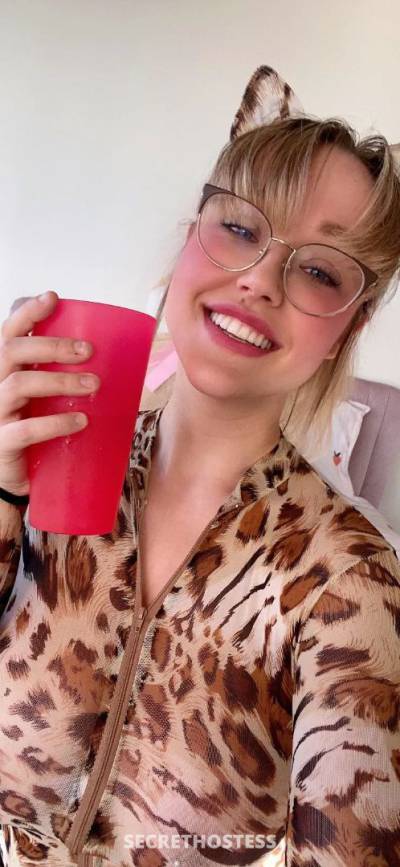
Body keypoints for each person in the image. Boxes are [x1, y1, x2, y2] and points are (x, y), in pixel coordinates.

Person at [0, 65, 399, 867]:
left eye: (319, 269)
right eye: (241, 228)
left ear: (347, 329)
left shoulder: (348, 580)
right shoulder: (53, 453)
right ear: (191, 236)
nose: (259, 280)